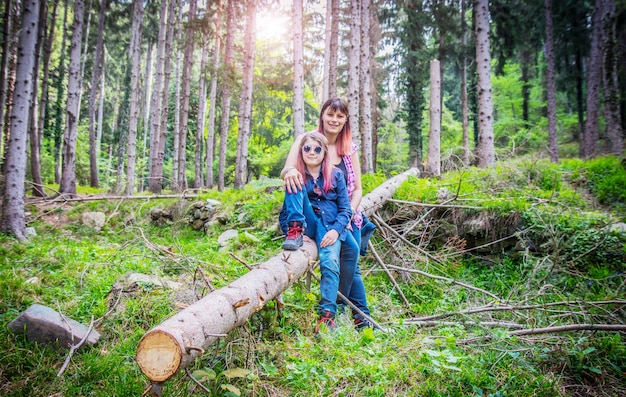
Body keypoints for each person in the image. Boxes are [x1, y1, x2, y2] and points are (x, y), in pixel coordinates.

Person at [281, 97, 375, 331]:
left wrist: (346, 218)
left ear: (345, 121)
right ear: (322, 115)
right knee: (346, 255)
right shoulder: (307, 141)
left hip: (345, 214)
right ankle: (354, 313)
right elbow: (288, 169)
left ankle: (355, 313)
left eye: (339, 116)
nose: (334, 120)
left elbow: (358, 189)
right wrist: (291, 170)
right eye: (330, 114)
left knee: (351, 255)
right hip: (316, 214)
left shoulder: (348, 148)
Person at [279, 132, 357, 335]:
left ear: (324, 153)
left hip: (331, 226)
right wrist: (292, 229)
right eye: (307, 148)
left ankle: (327, 315)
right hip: (310, 223)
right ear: (301, 151)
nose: (312, 152)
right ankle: (295, 231)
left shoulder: (336, 175)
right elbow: (285, 209)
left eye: (317, 149)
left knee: (330, 261)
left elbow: (346, 209)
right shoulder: (297, 175)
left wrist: (335, 230)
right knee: (292, 176)